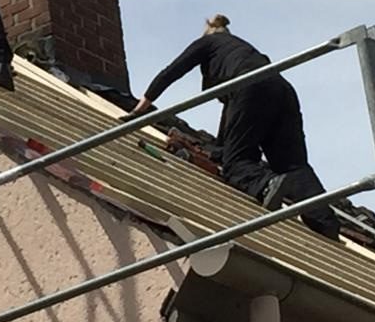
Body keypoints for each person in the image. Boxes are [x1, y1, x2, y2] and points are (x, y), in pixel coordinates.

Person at [126, 14, 340, 240]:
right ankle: (325, 222)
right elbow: (230, 119)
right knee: (293, 165)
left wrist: (139, 109)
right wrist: (218, 150)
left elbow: (172, 71)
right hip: (283, 90)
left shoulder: (208, 42)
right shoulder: (243, 51)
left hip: (250, 87)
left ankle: (266, 184)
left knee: (236, 163)